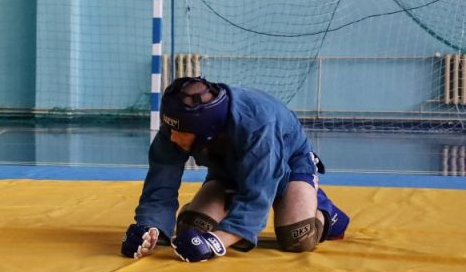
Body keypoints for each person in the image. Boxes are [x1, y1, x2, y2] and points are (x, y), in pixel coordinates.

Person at [120, 77, 350, 262]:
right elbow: (161, 183)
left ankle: (323, 209)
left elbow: (258, 194)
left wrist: (215, 242)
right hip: (229, 167)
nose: (171, 136)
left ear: (206, 131)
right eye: (168, 127)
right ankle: (222, 208)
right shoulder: (178, 124)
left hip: (289, 163)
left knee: (298, 237)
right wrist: (149, 228)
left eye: (179, 132)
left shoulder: (260, 126)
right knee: (194, 229)